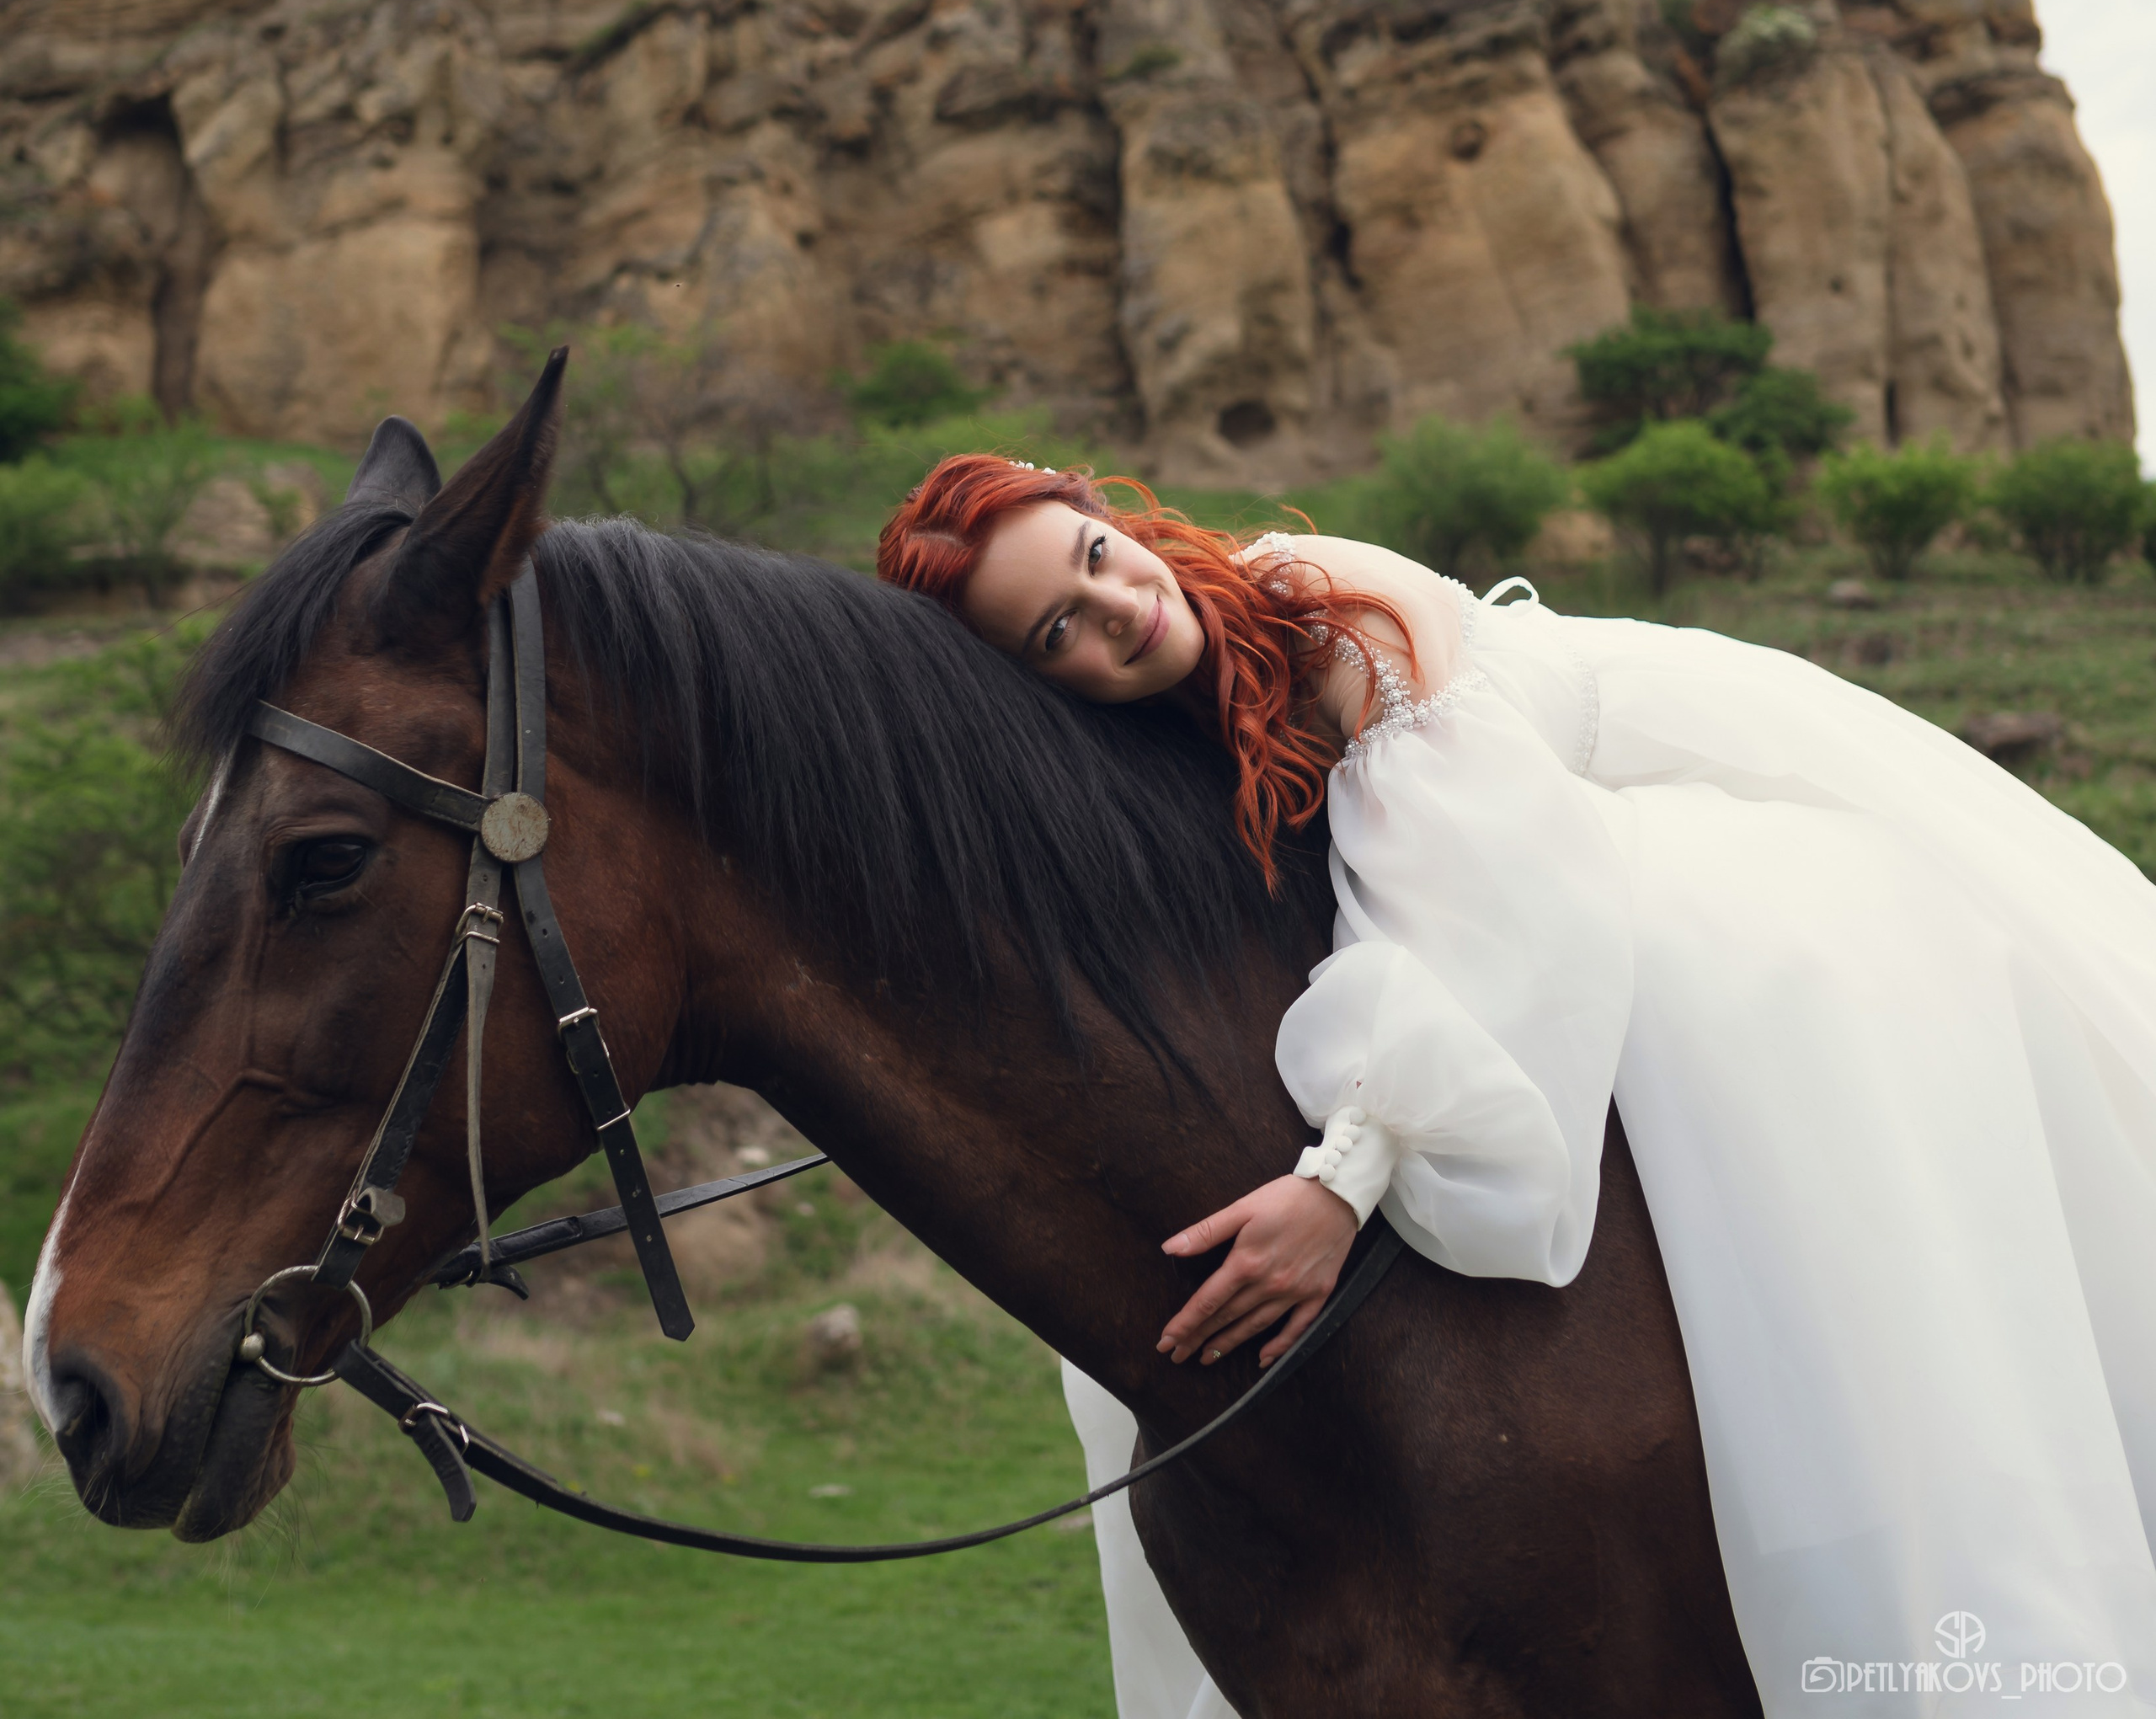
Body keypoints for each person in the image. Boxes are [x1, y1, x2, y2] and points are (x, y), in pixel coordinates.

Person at [878, 454, 2156, 1719]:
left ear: (1110, 518)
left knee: (1767, 991)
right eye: (1060, 633)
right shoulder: (1139, 728)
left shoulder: (1325, 620)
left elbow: (1481, 919)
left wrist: (1346, 1172)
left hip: (1603, 792)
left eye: (1097, 558)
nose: (1116, 609)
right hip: (1489, 857)